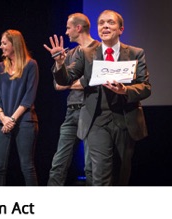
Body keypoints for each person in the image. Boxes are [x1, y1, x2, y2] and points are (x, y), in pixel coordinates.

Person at [48, 10, 151, 185]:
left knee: (120, 176)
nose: (105, 26)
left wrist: (125, 90)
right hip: (96, 121)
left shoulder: (135, 53)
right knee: (100, 175)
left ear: (121, 29)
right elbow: (65, 79)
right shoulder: (87, 54)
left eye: (110, 23)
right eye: (101, 23)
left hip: (125, 121)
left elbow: (145, 87)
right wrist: (59, 63)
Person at [43, 13, 99, 186]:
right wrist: (62, 66)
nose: (66, 32)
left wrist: (81, 81)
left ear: (78, 28)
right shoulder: (68, 54)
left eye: (68, 28)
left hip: (91, 111)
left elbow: (96, 81)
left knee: (91, 167)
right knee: (58, 165)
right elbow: (58, 85)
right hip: (71, 112)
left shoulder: (100, 50)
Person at [0, 29, 39, 186]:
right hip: (2, 121)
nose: (0, 46)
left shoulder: (31, 65)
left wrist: (12, 119)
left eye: (4, 43)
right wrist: (3, 117)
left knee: (27, 166)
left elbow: (29, 96)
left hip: (24, 121)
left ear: (15, 44)